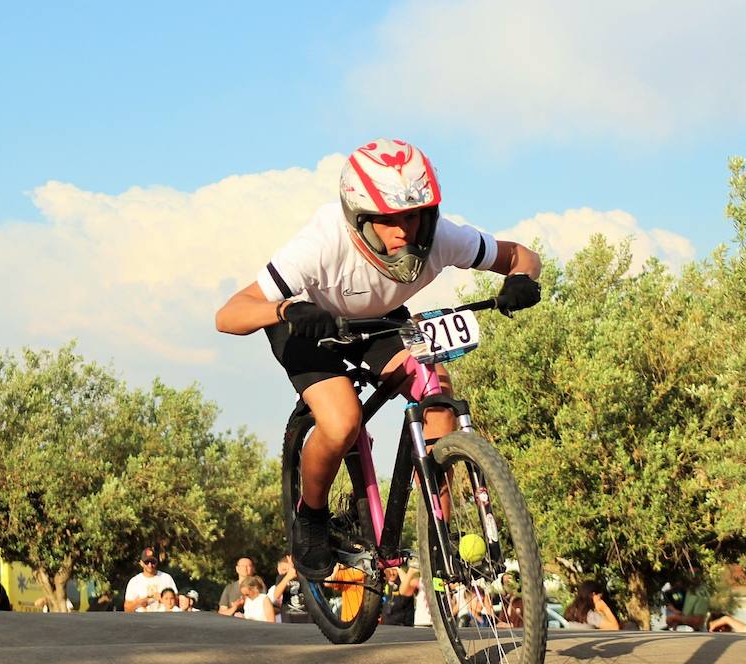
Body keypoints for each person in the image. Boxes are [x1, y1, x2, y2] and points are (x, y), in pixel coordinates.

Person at [215, 138, 542, 582]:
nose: (404, 232)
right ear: (359, 218)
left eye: (413, 216)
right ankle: (310, 516)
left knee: (439, 401)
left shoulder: (443, 237)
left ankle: (437, 537)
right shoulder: (321, 244)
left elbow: (523, 256)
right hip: (310, 323)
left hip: (380, 321)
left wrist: (523, 279)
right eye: (389, 221)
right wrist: (286, 309)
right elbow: (229, 314)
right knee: (342, 421)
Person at [123, 549, 177, 613]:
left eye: (153, 562)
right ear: (141, 563)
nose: (150, 565)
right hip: (142, 620)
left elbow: (177, 601)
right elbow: (126, 609)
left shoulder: (166, 578)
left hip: (163, 619)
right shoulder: (134, 582)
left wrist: (163, 599)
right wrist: (138, 603)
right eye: (147, 562)